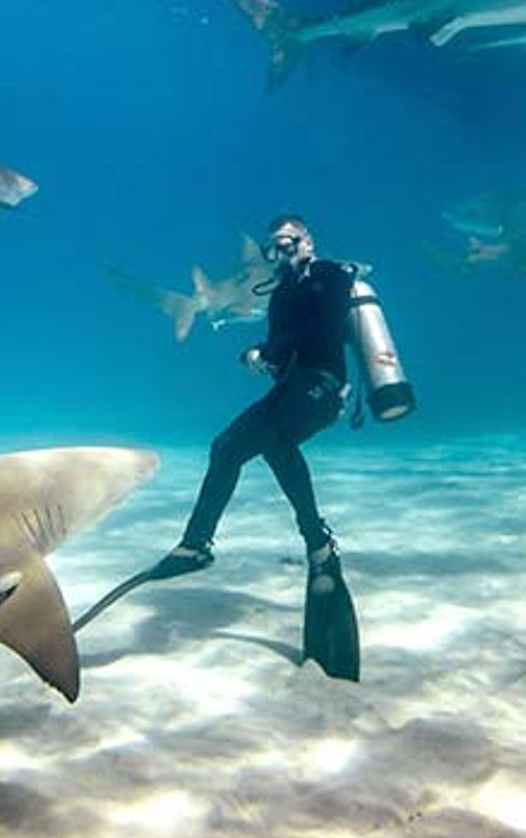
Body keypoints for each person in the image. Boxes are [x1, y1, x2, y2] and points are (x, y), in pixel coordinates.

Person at [81, 213, 362, 680]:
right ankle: (196, 545)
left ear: (309, 240)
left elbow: (323, 323)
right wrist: (257, 356)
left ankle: (317, 540)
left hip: (325, 386)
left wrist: (311, 282)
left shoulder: (330, 275)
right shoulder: (280, 293)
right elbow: (281, 346)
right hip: (291, 389)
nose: (282, 252)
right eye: (274, 247)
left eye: (290, 242)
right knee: (226, 446)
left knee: (276, 440)